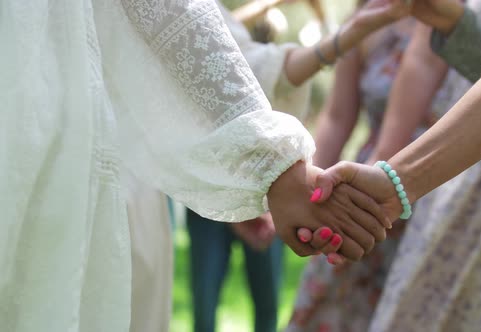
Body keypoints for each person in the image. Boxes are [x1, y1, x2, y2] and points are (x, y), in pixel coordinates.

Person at [0, 0, 397, 330]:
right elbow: (174, 22)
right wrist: (274, 169)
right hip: (56, 156)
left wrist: (269, 171)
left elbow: (231, 56)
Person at [290, 1, 481, 330]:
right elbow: (340, 116)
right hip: (422, 180)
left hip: (475, 175)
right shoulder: (374, 23)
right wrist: (308, 192)